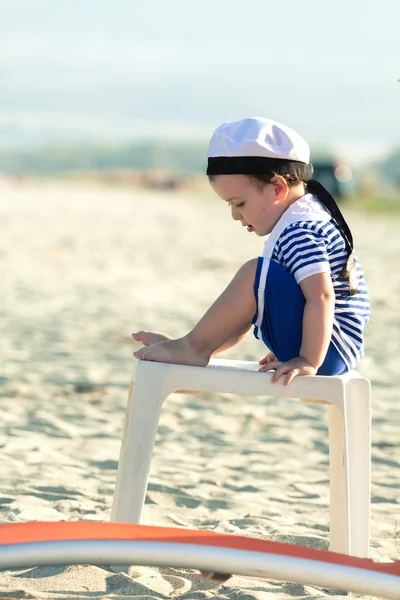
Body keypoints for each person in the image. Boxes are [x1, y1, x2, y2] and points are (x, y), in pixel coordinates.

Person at [133, 117, 370, 386]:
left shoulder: (301, 230)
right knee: (259, 282)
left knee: (256, 274)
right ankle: (196, 347)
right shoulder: (300, 218)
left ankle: (194, 347)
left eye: (240, 203)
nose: (235, 215)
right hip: (328, 346)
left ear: (279, 188)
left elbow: (323, 296)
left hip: (329, 349)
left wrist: (307, 359)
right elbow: (246, 310)